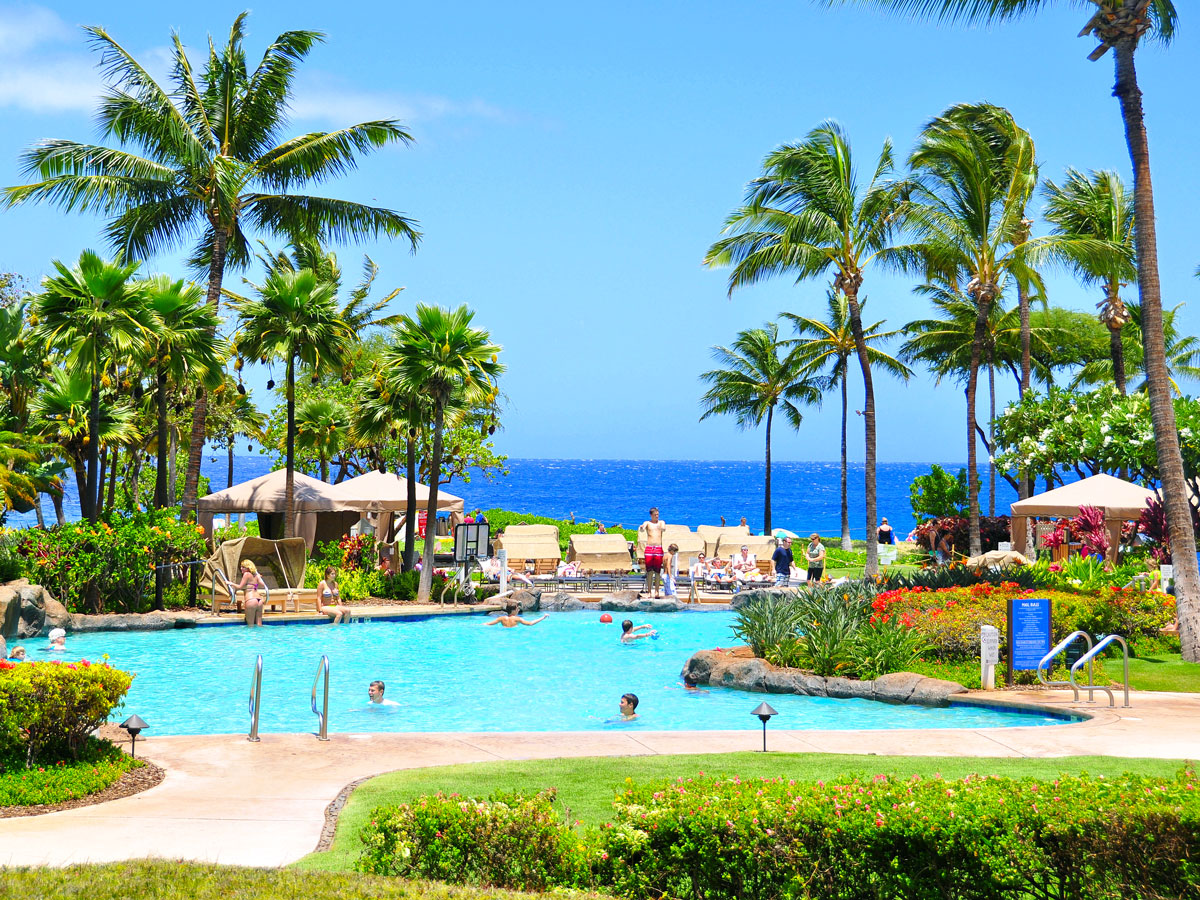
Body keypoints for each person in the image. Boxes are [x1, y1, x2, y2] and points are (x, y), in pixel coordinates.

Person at [639, 507, 668, 599]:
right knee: (649, 571)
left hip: (658, 548)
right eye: (655, 515)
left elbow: (663, 528)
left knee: (658, 571)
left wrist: (662, 526)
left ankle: (657, 592)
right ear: (651, 515)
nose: (657, 516)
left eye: (658, 515)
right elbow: (643, 528)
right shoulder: (647, 523)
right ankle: (649, 592)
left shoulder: (661, 522)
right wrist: (642, 528)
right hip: (649, 548)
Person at [234, 559, 266, 627]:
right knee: (259, 625)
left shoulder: (246, 574)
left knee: (250, 626)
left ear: (248, 568)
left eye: (243, 567)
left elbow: (240, 586)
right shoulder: (256, 575)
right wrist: (258, 579)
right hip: (259, 600)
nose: (241, 568)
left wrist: (230, 583)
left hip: (251, 600)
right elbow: (263, 585)